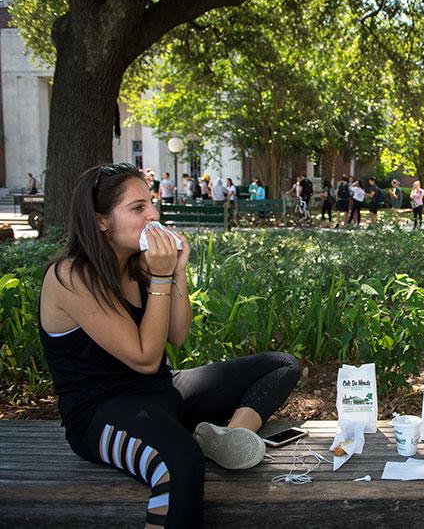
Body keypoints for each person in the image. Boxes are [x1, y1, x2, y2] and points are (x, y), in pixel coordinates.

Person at [38, 163, 301, 527]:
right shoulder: (71, 275)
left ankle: (229, 436)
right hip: (102, 415)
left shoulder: (137, 265)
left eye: (152, 203)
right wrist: (161, 276)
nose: (153, 215)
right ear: (101, 221)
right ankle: (198, 442)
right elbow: (145, 358)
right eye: (138, 208)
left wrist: (176, 271)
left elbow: (177, 335)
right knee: (181, 463)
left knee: (281, 365)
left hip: (161, 391)